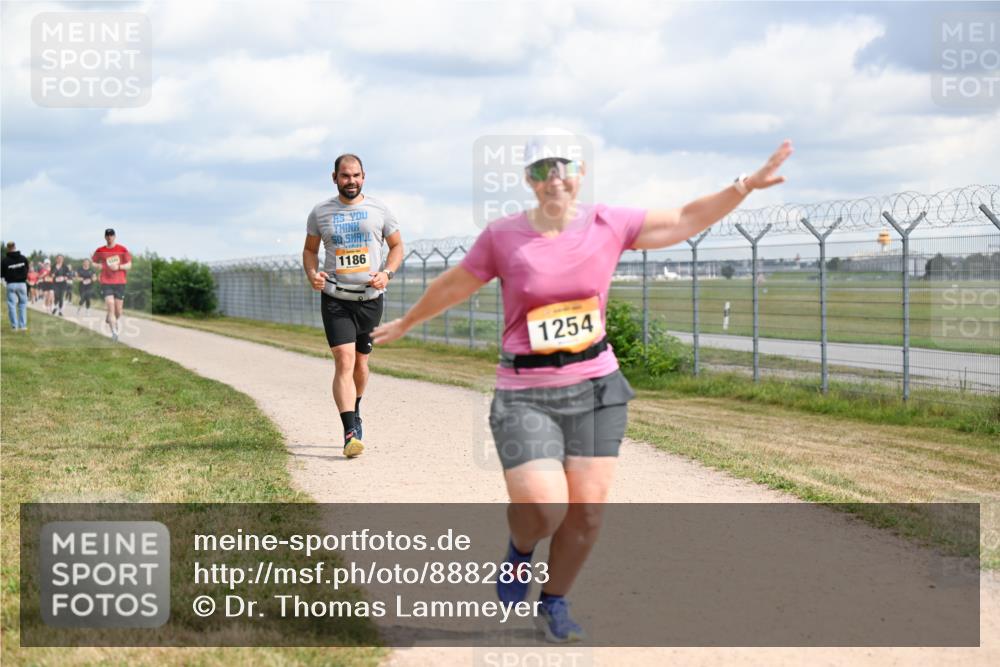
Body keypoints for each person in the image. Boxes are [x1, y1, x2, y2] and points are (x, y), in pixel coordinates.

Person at [373, 134, 793, 642]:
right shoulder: (503, 236)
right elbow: (458, 282)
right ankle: (520, 550)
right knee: (543, 509)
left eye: (564, 167)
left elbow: (684, 219)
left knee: (587, 511)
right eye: (541, 169)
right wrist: (409, 321)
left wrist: (744, 185)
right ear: (528, 180)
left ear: (581, 172)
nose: (554, 178)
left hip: (597, 386)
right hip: (525, 390)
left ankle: (554, 602)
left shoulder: (608, 223)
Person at [302, 153, 404, 458]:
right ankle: (349, 433)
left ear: (364, 176)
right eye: (345, 176)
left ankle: (356, 408)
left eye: (356, 175)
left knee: (361, 363)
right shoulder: (320, 212)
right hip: (336, 298)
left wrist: (387, 273)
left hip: (370, 301)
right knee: (344, 362)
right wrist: (312, 274)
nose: (351, 181)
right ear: (334, 178)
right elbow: (309, 251)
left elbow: (397, 246)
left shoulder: (379, 209)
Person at [91, 228, 132, 342]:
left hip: (120, 282)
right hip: (106, 282)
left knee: (118, 311)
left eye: (111, 235)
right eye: (107, 235)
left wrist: (118, 267)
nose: (109, 237)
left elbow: (129, 264)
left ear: (115, 236)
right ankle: (114, 332)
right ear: (105, 237)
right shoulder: (100, 250)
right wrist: (97, 266)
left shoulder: (122, 249)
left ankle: (110, 317)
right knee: (110, 304)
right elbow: (94, 262)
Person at [2, 241, 30, 331]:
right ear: (15, 247)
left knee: (12, 305)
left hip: (11, 284)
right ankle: (23, 326)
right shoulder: (23, 258)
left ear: (8, 248)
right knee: (22, 304)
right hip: (22, 284)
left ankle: (14, 326)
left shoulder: (5, 261)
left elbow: (1, 274)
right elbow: (27, 269)